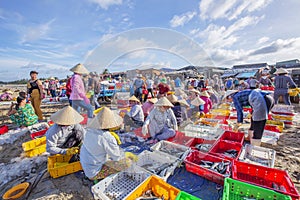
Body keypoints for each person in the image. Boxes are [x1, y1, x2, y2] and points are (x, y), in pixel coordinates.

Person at [80, 107, 137, 180]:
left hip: (87, 165)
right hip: (93, 172)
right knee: (127, 162)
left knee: (108, 155)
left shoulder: (90, 130)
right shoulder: (107, 137)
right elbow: (117, 157)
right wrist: (127, 155)